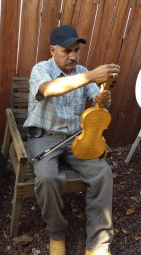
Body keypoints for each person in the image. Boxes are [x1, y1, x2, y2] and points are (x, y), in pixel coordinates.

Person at [24, 25, 120, 255]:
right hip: (45, 138)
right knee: (47, 178)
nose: (73, 56)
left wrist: (102, 97)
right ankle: (56, 233)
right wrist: (89, 76)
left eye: (76, 50)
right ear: (52, 50)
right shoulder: (41, 69)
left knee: (103, 174)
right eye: (67, 50)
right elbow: (49, 90)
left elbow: (96, 99)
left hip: (78, 137)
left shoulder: (82, 70)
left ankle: (98, 244)